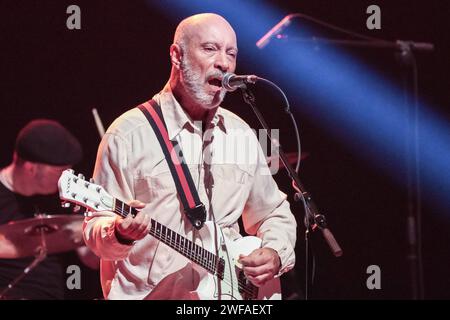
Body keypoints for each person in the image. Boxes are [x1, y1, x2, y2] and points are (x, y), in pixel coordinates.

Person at [83, 13, 297, 300]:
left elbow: (271, 211)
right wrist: (120, 233)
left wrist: (274, 252)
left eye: (231, 53)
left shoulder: (240, 133)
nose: (224, 62)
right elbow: (96, 228)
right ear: (176, 55)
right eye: (210, 49)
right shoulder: (128, 134)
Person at [0, 119, 99, 299]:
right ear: (31, 168)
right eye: (59, 171)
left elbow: (91, 259)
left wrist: (113, 235)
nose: (66, 177)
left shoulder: (64, 197)